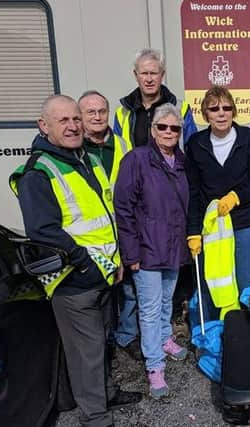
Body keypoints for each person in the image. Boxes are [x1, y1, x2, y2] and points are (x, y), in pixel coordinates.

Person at [10, 95, 141, 427]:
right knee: (86, 354)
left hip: (103, 273)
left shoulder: (86, 159)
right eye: (63, 121)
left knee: (102, 343)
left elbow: (104, 216)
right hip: (74, 279)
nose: (72, 126)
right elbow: (43, 230)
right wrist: (85, 262)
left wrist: (117, 258)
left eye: (75, 119)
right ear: (44, 126)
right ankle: (96, 418)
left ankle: (107, 393)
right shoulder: (38, 172)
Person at [113, 48, 197, 340]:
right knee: (135, 285)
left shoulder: (179, 109)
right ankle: (129, 337)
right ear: (135, 75)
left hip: (168, 209)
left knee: (163, 292)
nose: (149, 78)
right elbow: (117, 153)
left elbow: (192, 152)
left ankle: (160, 336)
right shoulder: (123, 111)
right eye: (144, 73)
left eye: (154, 73)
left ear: (163, 76)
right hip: (138, 203)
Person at [113, 103, 189, 399]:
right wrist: (130, 254)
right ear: (152, 130)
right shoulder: (137, 159)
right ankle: (154, 366)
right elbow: (124, 207)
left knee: (167, 300)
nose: (169, 132)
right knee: (149, 306)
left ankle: (165, 338)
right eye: (163, 127)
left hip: (172, 246)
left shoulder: (181, 161)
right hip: (146, 249)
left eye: (175, 128)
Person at [185, 85, 250, 318]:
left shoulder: (248, 139)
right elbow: (192, 192)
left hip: (244, 224)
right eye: (214, 108)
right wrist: (193, 232)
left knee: (243, 282)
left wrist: (237, 197)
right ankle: (214, 334)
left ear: (234, 111)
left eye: (226, 107)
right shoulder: (195, 144)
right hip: (210, 227)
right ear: (205, 115)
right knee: (213, 283)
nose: (221, 113)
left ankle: (243, 334)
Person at [77, 90, 143, 361]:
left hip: (122, 228)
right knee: (98, 295)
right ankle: (102, 343)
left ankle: (127, 336)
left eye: (102, 111)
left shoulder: (123, 146)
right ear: (80, 117)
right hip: (90, 238)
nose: (97, 117)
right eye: (90, 112)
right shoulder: (74, 149)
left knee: (129, 287)